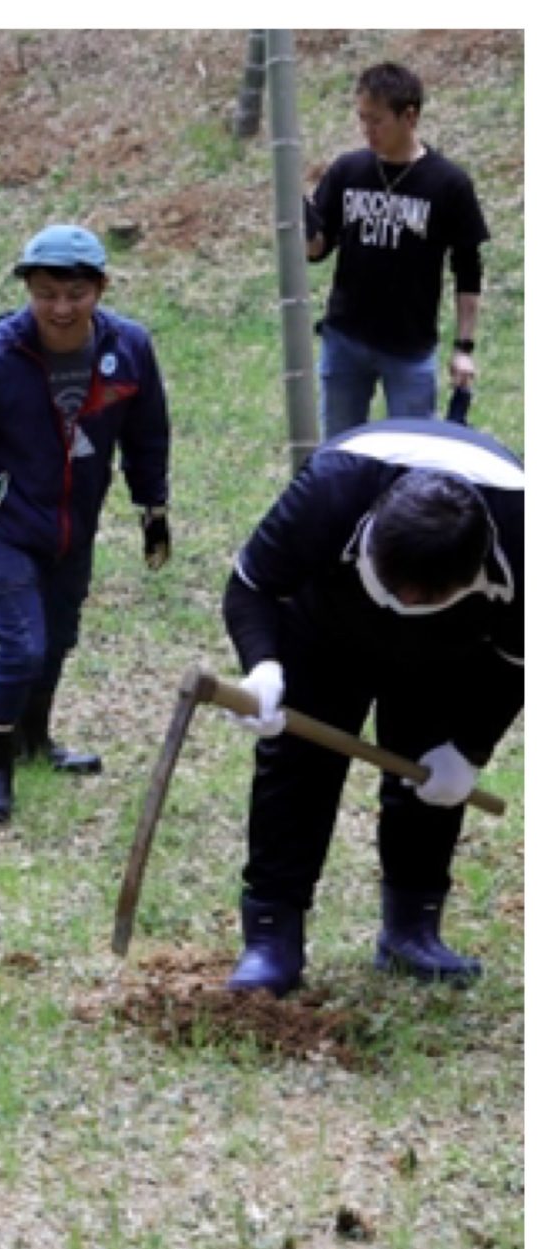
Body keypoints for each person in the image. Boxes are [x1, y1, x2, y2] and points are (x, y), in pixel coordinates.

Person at [218, 417, 521, 993]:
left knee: (427, 773)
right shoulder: (331, 491)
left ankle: (412, 932)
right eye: (397, 585)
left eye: (425, 597)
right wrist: (262, 665)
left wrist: (469, 748)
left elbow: (518, 661)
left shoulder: (528, 534)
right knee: (297, 767)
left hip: (452, 652)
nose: (405, 604)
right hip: (324, 628)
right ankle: (271, 937)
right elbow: (252, 586)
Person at [0, 224, 172, 824]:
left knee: (56, 640)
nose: (61, 308)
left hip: (73, 523)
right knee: (21, 645)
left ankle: (35, 737)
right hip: (3, 520)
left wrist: (152, 507)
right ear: (27, 290)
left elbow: (147, 433)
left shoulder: (128, 348)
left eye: (76, 294)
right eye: (46, 294)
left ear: (101, 289)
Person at [306, 60, 489, 437]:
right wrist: (299, 217)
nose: (367, 131)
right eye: (362, 119)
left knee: (412, 460)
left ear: (410, 116)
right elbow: (315, 250)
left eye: (377, 121)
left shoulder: (449, 184)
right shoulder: (347, 171)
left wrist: (464, 347)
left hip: (410, 349)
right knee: (339, 454)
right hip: (345, 339)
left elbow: (468, 270)